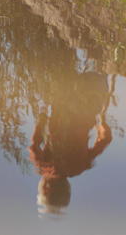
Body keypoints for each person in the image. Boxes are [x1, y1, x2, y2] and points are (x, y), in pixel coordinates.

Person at [29, 71, 112, 215]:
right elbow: (35, 143)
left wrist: (101, 120)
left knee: (102, 71)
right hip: (60, 104)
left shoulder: (79, 167)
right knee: (60, 68)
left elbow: (105, 139)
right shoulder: (42, 165)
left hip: (88, 108)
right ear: (45, 188)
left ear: (67, 189)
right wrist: (42, 117)